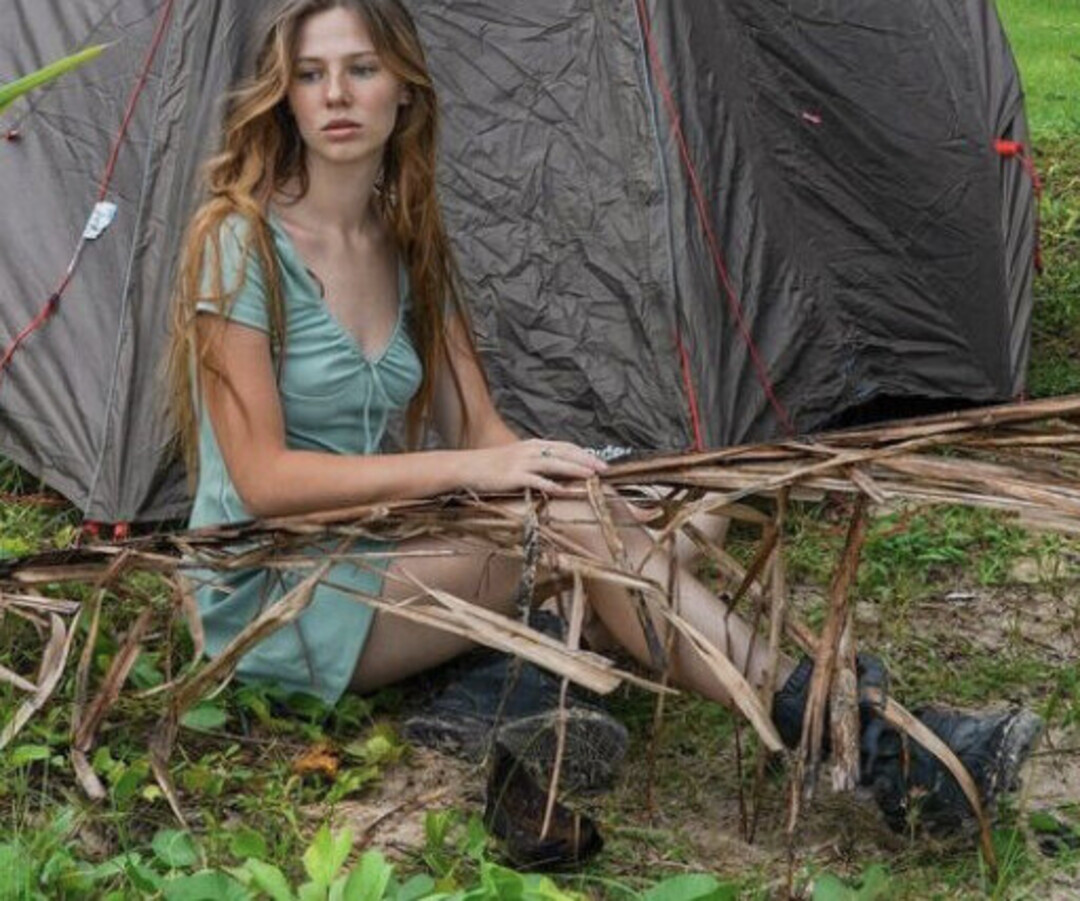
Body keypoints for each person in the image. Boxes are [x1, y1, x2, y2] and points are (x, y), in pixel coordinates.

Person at [167, 0, 1039, 841]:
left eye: (361, 69)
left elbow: (482, 431)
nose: (335, 95)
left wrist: (589, 476)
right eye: (310, 74)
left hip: (376, 548)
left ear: (403, 89)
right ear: (283, 96)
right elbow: (265, 480)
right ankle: (866, 739)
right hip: (272, 589)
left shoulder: (405, 243)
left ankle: (508, 686)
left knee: (688, 511)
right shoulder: (240, 242)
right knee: (585, 532)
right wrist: (482, 476)